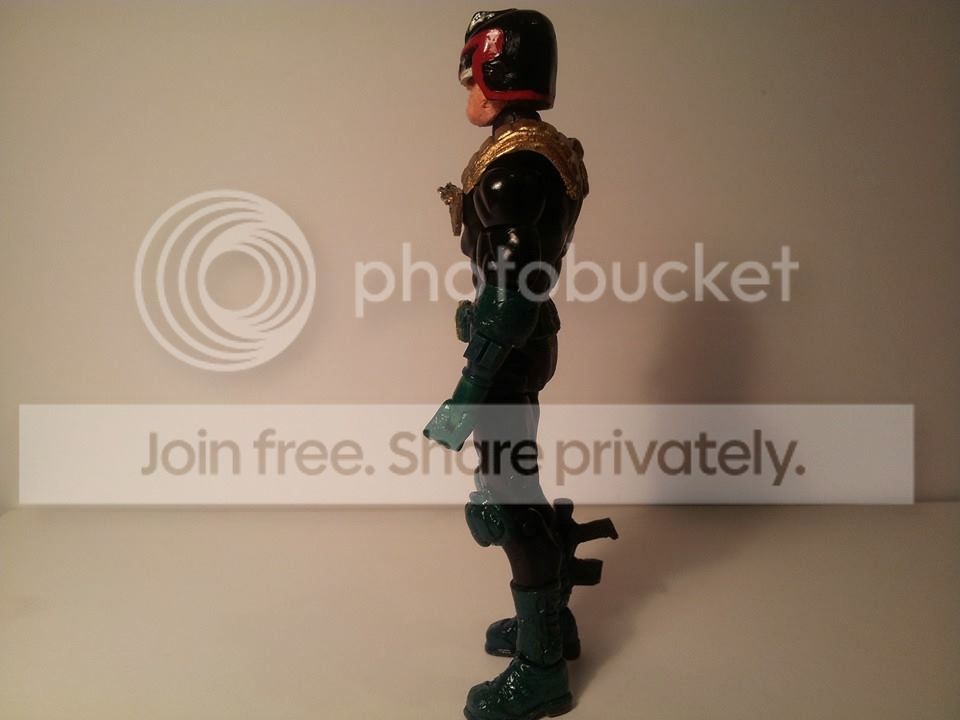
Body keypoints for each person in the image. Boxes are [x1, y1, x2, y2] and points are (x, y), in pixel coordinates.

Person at [424, 9, 617, 719]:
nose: (467, 90)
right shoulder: (542, 153)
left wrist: (467, 390)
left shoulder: (512, 173)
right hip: (521, 350)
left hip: (507, 355)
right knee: (515, 489)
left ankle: (540, 667)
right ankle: (552, 620)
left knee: (507, 501)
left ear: (497, 71)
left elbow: (510, 301)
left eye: (472, 74)